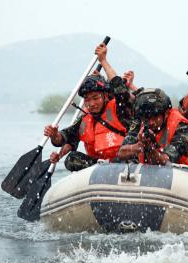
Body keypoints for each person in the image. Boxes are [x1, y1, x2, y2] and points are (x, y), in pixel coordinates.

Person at [43, 43, 133, 171]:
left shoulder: (120, 108)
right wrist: (54, 135)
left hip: (125, 164)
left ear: (105, 96)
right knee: (72, 159)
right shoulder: (85, 119)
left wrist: (103, 60)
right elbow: (65, 138)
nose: (91, 104)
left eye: (95, 98)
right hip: (99, 166)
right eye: (87, 100)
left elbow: (119, 87)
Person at [116, 88, 188, 166]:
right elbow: (121, 153)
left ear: (166, 113)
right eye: (147, 117)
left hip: (182, 175)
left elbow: (166, 161)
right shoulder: (139, 121)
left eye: (155, 116)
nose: (151, 122)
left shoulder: (181, 127)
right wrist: (139, 146)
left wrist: (149, 148)